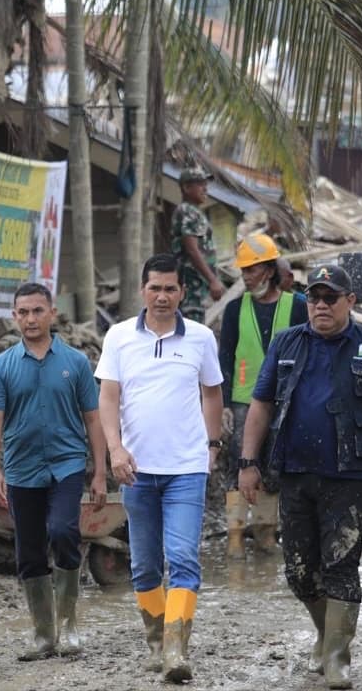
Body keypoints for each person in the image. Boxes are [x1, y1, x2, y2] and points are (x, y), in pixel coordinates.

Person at [238, 264, 362, 690]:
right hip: (295, 473)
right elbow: (259, 406)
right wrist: (247, 463)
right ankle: (325, 631)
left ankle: (337, 659)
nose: (320, 305)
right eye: (314, 298)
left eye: (330, 298)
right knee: (300, 571)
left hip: (348, 476)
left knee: (341, 566)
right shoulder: (287, 343)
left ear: (350, 302)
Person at [95, 253, 224, 682]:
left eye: (171, 288)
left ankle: (175, 651)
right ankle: (155, 641)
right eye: (155, 288)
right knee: (146, 565)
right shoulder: (118, 338)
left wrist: (212, 444)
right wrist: (115, 450)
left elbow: (212, 393)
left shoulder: (202, 338)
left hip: (187, 468)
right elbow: (108, 398)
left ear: (182, 293)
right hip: (136, 469)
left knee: (184, 558)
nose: (163, 296)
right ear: (142, 290)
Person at [0, 282, 107, 660]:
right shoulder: (2, 366)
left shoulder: (76, 363)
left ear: (52, 313)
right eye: (24, 312)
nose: (31, 318)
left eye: (38, 311)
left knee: (64, 531)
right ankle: (43, 636)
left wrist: (100, 472)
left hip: (67, 464)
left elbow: (93, 418)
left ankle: (69, 627)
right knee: (30, 552)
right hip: (21, 469)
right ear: (14, 316)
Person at [218, 234, 307, 559]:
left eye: (252, 270)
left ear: (268, 270)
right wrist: (225, 403)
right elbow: (224, 358)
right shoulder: (233, 310)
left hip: (285, 401)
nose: (246, 277)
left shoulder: (296, 306)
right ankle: (236, 536)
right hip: (244, 400)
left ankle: (267, 533)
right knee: (240, 463)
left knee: (273, 467)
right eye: (244, 271)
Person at [169, 168, 225, 322]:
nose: (205, 188)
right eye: (200, 184)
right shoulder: (187, 211)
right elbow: (192, 249)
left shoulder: (194, 211)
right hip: (192, 286)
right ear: (186, 188)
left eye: (206, 184)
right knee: (192, 329)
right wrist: (212, 280)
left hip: (198, 286)